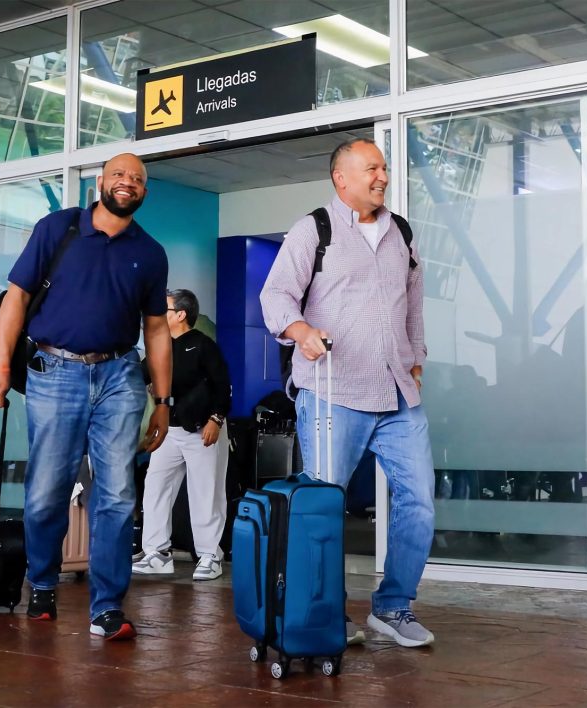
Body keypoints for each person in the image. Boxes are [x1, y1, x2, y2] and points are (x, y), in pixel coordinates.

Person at [0, 152, 172, 641]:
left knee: (118, 495)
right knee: (46, 493)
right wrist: (0, 368)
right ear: (100, 183)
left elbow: (156, 329)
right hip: (53, 372)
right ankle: (41, 581)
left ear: (145, 193)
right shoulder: (57, 229)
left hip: (119, 377)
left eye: (138, 179)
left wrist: (164, 402)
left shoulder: (150, 252)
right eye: (119, 175)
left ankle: (107, 607)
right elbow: (17, 298)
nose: (128, 183)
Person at [259, 137, 435, 648]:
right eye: (371, 169)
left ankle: (394, 607)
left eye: (384, 168)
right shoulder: (313, 230)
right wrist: (299, 332)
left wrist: (416, 358)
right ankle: (325, 613)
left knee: (419, 500)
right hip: (334, 390)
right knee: (324, 507)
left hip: (399, 392)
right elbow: (275, 295)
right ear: (341, 178)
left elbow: (414, 304)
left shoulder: (401, 232)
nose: (382, 177)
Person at [133, 288, 232, 580]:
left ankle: (210, 554)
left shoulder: (203, 345)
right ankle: (157, 553)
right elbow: (140, 376)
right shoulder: (158, 346)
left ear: (180, 315)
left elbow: (222, 385)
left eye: (165, 309)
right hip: (170, 430)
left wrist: (216, 418)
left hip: (203, 429)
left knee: (205, 492)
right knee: (155, 487)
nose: (157, 314)